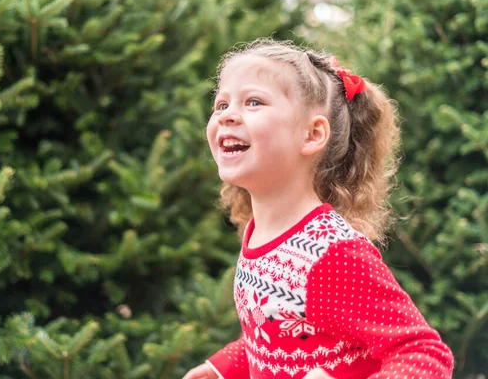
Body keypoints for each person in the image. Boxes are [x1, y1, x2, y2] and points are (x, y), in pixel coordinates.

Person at [182, 39, 454, 379]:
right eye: (221, 104)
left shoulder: (331, 253)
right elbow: (275, 326)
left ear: (312, 135)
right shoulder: (262, 232)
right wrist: (221, 368)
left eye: (254, 101)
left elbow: (424, 353)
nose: (227, 116)